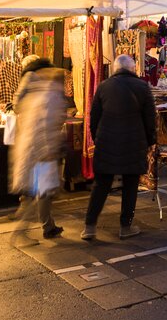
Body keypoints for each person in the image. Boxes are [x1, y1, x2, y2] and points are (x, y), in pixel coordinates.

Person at [82, 54, 156, 241]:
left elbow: (94, 117)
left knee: (101, 185)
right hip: (134, 142)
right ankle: (125, 226)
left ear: (115, 69)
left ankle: (90, 226)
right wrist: (149, 142)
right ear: (133, 68)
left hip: (106, 141)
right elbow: (150, 119)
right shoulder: (142, 87)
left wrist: (98, 139)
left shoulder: (103, 86)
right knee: (130, 186)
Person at [9, 56, 68, 244]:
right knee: (42, 191)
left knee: (40, 191)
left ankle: (48, 226)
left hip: (30, 146)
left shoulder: (33, 89)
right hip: (42, 150)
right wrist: (49, 150)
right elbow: (48, 123)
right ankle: (21, 233)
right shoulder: (50, 94)